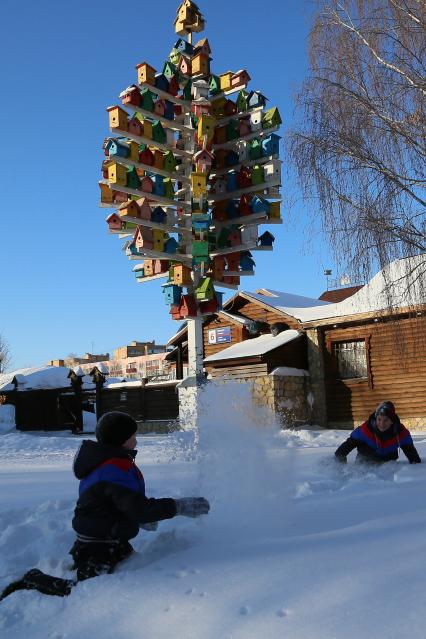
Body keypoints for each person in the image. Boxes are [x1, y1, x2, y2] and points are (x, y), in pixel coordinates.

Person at [0, 411, 210, 600]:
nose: (136, 441)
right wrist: (177, 507)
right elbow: (138, 507)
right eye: (132, 437)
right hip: (96, 546)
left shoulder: (111, 463)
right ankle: (33, 578)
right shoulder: (112, 470)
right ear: (121, 441)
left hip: (111, 538)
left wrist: (135, 517)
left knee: (125, 566)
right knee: (84, 590)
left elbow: (121, 503)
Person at [334, 401, 421, 464]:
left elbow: (412, 455)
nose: (382, 424)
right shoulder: (365, 430)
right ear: (375, 419)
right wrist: (339, 461)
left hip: (387, 467)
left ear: (392, 421)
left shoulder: (401, 433)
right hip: (364, 466)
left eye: (386, 420)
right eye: (379, 419)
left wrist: (416, 466)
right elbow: (346, 447)